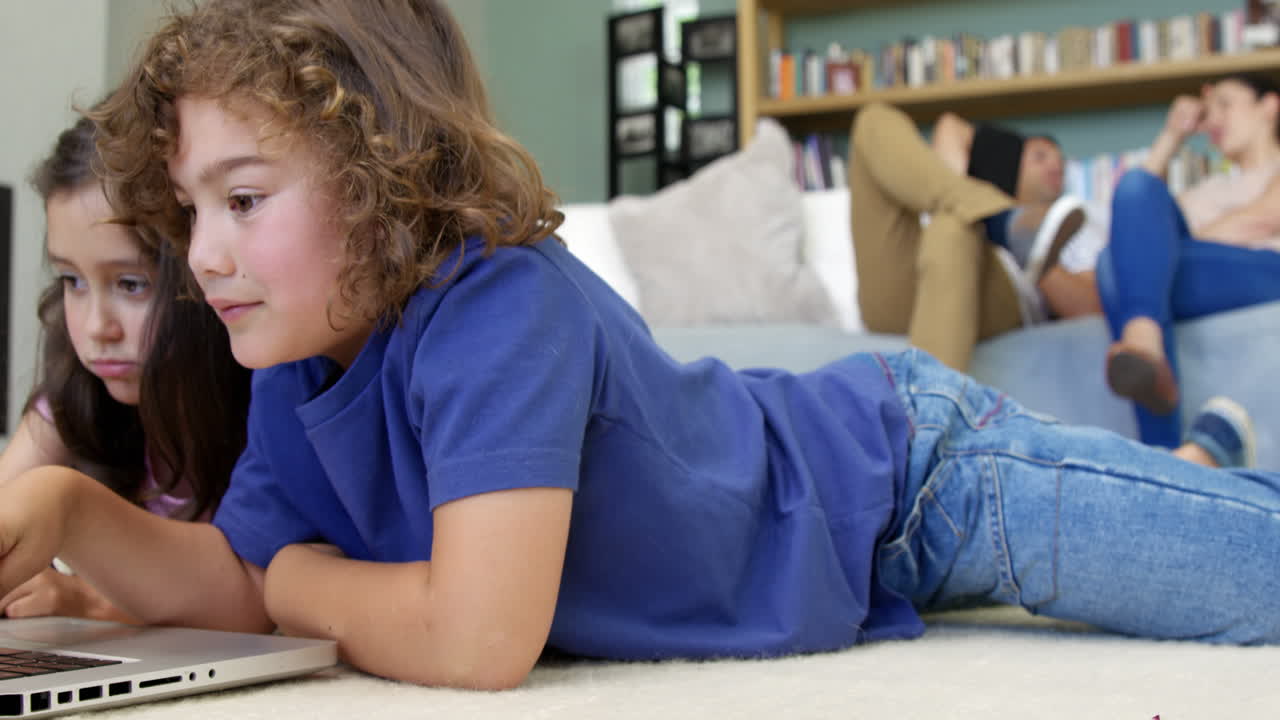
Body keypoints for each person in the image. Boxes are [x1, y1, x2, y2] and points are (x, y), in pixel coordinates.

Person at [1, 0, 1276, 692]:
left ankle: (1209, 471)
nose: (202, 255)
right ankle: (1204, 454)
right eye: (190, 211)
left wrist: (294, 585)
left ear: (385, 176)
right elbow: (234, 577)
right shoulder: (292, 365)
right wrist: (64, 508)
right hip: (852, 535)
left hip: (911, 484)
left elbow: (471, 640)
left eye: (242, 199)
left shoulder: (498, 301)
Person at [0, 114, 251, 621]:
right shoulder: (74, 398)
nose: (97, 327)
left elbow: (260, 603)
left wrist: (89, 602)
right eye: (71, 280)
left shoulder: (267, 402)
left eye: (131, 284)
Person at [1097, 73, 1280, 448]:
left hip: (1267, 270)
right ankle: (1144, 340)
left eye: (1226, 104)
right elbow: (1133, 217)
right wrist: (1173, 135)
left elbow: (1266, 217)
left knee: (1124, 264)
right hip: (1201, 274)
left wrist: (1160, 248)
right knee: (1135, 187)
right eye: (1208, 114)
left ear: (1270, 106)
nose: (1214, 120)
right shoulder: (1206, 191)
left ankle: (1160, 450)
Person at [848, 101, 1088, 372]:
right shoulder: (972, 188)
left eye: (1061, 162)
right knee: (873, 119)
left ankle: (931, 409)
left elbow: (1089, 307)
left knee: (954, 225)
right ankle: (1000, 219)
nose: (1055, 164)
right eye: (1040, 156)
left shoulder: (1077, 218)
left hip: (997, 295)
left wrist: (1042, 255)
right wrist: (993, 206)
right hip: (900, 292)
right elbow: (950, 127)